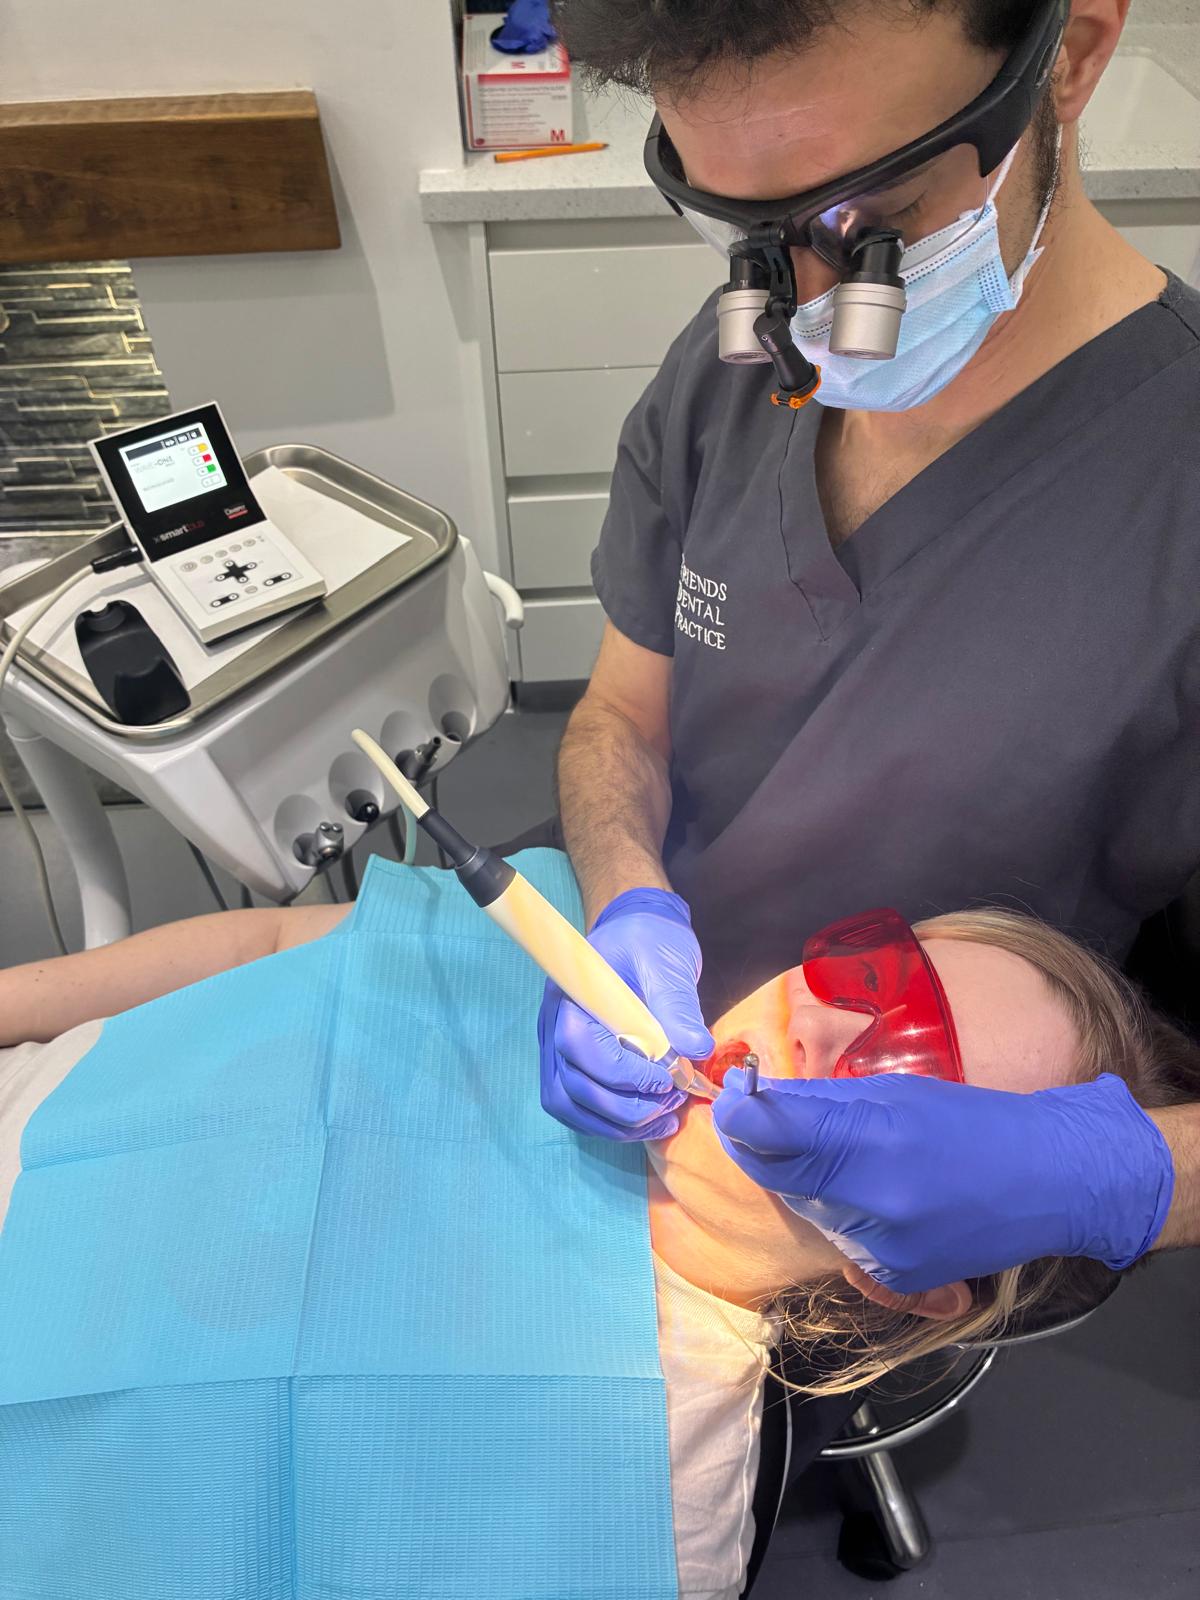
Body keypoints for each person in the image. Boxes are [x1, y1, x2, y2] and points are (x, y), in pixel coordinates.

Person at [0, 859, 1196, 1597]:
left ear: (913, 1279)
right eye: (873, 975)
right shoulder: (550, 969)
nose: (823, 1030)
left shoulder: (646, 1505)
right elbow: (266, 945)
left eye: (913, 1077)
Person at [538, 0, 1200, 1309]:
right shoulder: (720, 379)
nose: (813, 308)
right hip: (627, 1111)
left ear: (1067, 56)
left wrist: (1118, 1174)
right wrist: (621, 906)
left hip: (874, 1229)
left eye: (873, 226)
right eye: (748, 234)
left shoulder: (1171, 492)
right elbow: (620, 721)